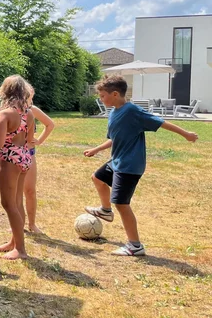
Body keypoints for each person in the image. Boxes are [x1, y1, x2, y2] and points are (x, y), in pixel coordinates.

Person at [83, 75, 198, 256]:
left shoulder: (132, 111)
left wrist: (186, 134)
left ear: (115, 94)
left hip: (129, 165)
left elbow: (161, 122)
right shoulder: (114, 112)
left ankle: (135, 246)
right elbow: (114, 139)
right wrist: (96, 150)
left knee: (121, 203)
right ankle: (105, 211)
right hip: (117, 161)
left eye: (103, 96)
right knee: (97, 177)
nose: (101, 99)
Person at [0, 87, 55, 234]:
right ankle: (17, 227)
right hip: (13, 155)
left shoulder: (31, 110)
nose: (29, 100)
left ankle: (32, 224)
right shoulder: (6, 110)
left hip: (26, 154)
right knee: (15, 197)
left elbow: (50, 125)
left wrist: (39, 141)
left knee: (28, 191)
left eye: (31, 97)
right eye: (28, 96)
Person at [0, 75, 35, 260]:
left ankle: (20, 249)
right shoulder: (28, 113)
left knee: (8, 204)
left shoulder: (5, 114)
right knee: (17, 203)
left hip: (9, 160)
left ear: (4, 91)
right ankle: (14, 242)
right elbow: (29, 140)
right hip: (24, 158)